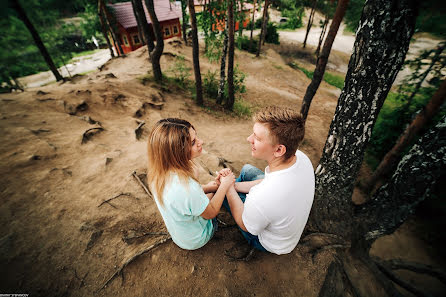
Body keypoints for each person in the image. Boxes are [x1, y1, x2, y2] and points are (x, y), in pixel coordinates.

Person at [221, 106, 315, 255]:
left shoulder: (264, 196)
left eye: (257, 138)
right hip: (280, 210)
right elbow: (269, 183)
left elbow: (245, 224)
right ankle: (234, 187)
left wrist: (227, 188)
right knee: (246, 170)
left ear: (279, 150)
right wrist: (235, 185)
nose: (248, 139)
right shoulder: (301, 158)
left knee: (223, 192)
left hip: (269, 243)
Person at [147, 118, 235, 250]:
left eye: (196, 137)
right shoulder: (187, 187)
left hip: (181, 237)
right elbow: (210, 213)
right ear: (176, 152)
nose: (201, 142)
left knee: (212, 189)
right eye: (193, 142)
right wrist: (224, 185)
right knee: (216, 194)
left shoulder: (158, 175)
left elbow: (189, 198)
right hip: (198, 239)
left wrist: (213, 187)